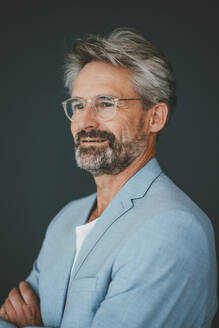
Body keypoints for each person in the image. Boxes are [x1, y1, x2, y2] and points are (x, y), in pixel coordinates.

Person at [0, 28, 217, 328]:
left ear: (155, 118)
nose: (85, 122)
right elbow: (10, 317)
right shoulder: (67, 218)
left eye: (105, 103)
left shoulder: (173, 230)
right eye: (78, 105)